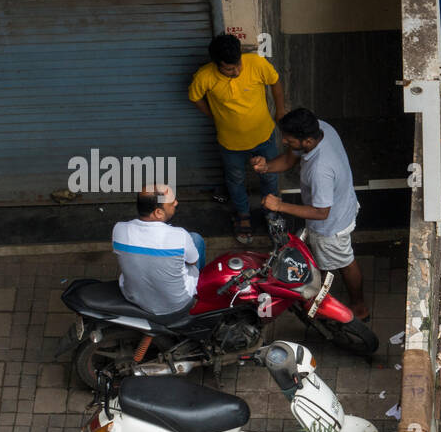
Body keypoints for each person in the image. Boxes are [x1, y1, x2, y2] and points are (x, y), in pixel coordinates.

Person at [252, 108, 369, 320]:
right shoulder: (321, 128)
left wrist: (279, 206)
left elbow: (321, 212)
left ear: (306, 141)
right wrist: (266, 167)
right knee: (332, 258)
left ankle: (359, 307)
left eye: (289, 140)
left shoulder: (320, 169)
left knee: (344, 262)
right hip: (344, 205)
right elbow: (289, 160)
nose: (285, 142)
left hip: (331, 226)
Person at [189, 33, 286, 245]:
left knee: (269, 177)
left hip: (264, 137)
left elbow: (275, 82)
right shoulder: (204, 77)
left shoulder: (256, 63)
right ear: (216, 64)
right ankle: (243, 215)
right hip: (230, 144)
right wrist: (214, 115)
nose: (237, 71)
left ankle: (272, 213)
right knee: (236, 180)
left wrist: (280, 112)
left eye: (238, 65)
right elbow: (195, 97)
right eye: (229, 69)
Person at [111, 185, 206, 317]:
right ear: (158, 213)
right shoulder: (180, 236)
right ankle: (200, 292)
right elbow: (193, 262)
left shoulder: (119, 230)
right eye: (172, 202)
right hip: (177, 304)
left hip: (134, 298)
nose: (176, 202)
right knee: (196, 239)